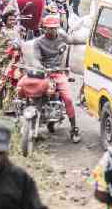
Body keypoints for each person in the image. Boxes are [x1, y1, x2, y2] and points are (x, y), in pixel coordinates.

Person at [34, 15, 84, 143]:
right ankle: (33, 126)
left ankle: (74, 129)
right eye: (49, 28)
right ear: (44, 28)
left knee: (67, 98)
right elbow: (36, 59)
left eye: (54, 28)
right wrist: (41, 68)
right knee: (36, 98)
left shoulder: (62, 37)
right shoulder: (38, 42)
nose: (51, 31)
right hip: (44, 73)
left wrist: (89, 39)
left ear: (58, 28)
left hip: (59, 73)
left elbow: (73, 40)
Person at [0, 11, 25, 114]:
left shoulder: (17, 30)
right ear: (5, 21)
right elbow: (1, 49)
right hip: (6, 61)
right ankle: (6, 107)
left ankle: (15, 106)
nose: (12, 21)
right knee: (6, 84)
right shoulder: (3, 32)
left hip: (17, 60)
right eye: (10, 19)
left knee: (17, 83)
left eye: (14, 19)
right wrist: (8, 56)